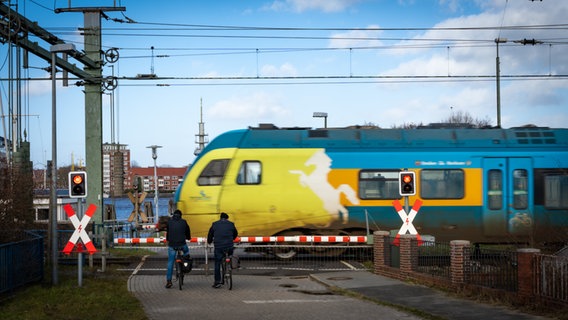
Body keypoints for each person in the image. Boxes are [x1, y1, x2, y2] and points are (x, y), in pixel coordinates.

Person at [207, 212, 238, 288]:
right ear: (227, 218)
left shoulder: (215, 224)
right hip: (229, 246)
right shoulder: (231, 224)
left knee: (217, 263)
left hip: (219, 247)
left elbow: (210, 235)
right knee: (230, 255)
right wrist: (232, 239)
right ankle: (229, 265)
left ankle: (217, 282)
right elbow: (235, 234)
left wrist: (209, 241)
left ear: (220, 218)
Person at [165, 209, 191, 289]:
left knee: (170, 263)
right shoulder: (184, 222)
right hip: (182, 244)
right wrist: (188, 238)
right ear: (180, 215)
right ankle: (185, 264)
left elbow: (168, 234)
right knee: (186, 252)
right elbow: (187, 232)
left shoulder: (169, 222)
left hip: (172, 245)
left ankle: (169, 281)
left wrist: (168, 240)